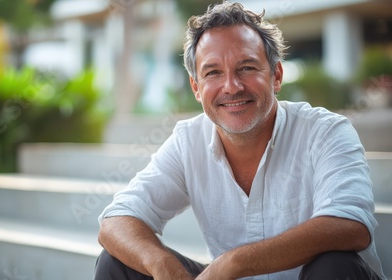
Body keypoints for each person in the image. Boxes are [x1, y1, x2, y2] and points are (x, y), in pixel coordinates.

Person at [94, 1, 385, 279]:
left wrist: (233, 262)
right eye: (213, 72)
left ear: (276, 75)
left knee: (333, 265)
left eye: (246, 67)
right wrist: (163, 266)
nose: (231, 87)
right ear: (197, 88)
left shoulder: (325, 131)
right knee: (117, 261)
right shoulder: (188, 141)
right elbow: (117, 220)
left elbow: (350, 225)